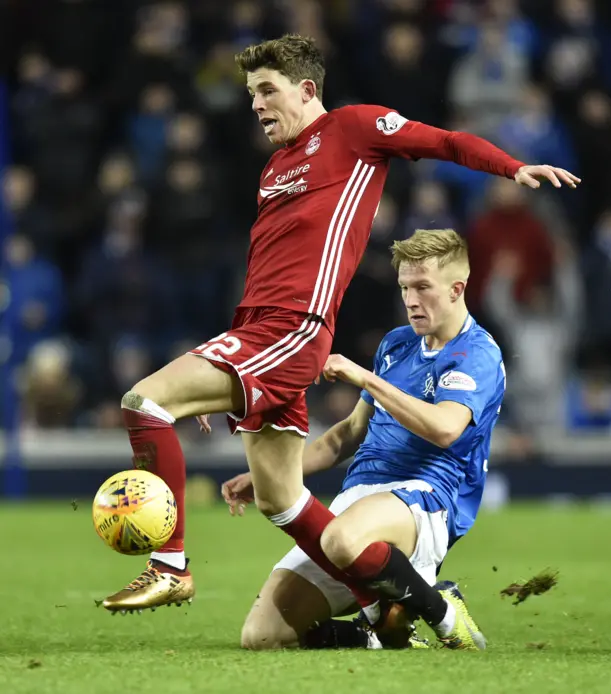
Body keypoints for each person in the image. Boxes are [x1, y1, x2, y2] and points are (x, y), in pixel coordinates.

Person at [101, 34, 578, 614]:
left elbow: (443, 141)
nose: (256, 104)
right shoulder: (275, 167)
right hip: (259, 330)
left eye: (267, 90)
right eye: (251, 93)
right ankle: (414, 604)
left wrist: (511, 167)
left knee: (144, 402)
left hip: (293, 329)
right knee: (281, 501)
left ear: (306, 90)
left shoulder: (354, 129)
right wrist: (220, 369)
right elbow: (268, 266)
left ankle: (169, 565)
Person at [221, 228, 505, 650]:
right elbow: (347, 435)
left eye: (422, 287)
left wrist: (366, 377)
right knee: (263, 637)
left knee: (339, 538)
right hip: (359, 501)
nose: (410, 299)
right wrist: (270, 475)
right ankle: (389, 638)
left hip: (424, 499)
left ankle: (442, 611)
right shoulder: (397, 345)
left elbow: (446, 429)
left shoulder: (476, 353)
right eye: (405, 287)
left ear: (456, 289)